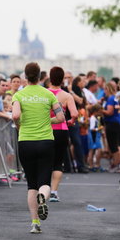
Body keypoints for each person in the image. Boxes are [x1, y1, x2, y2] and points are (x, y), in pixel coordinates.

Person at [12, 62, 64, 234]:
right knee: (44, 182)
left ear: (25, 77)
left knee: (31, 184)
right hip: (45, 142)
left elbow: (15, 115)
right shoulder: (48, 94)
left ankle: (35, 223)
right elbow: (61, 117)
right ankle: (44, 197)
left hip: (26, 142)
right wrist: (48, 121)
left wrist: (18, 123)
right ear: (40, 76)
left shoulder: (19, 95)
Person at [47, 66, 78, 202]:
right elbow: (75, 114)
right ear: (62, 79)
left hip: (45, 129)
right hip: (61, 130)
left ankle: (44, 189)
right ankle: (54, 191)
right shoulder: (66, 96)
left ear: (50, 77)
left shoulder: (44, 93)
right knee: (58, 162)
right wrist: (71, 121)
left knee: (45, 160)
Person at [103, 83, 120, 172]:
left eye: (105, 89)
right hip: (116, 122)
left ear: (108, 89)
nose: (104, 92)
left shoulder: (110, 99)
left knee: (113, 145)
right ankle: (117, 164)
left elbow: (109, 112)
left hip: (111, 123)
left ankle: (117, 164)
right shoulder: (114, 98)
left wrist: (100, 110)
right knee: (115, 144)